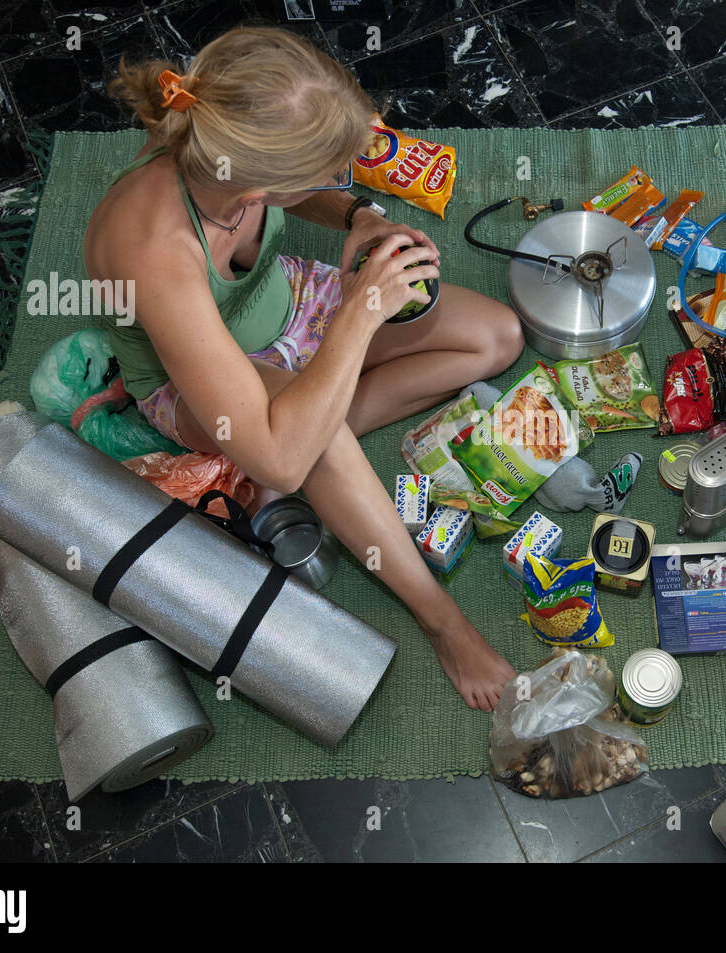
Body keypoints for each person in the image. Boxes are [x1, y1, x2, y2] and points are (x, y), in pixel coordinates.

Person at [83, 26, 522, 711]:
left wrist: (358, 216)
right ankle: (444, 621)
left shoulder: (223, 141)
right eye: (321, 174)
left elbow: (299, 191)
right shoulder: (152, 249)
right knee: (295, 456)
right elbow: (283, 462)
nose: (329, 183)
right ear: (265, 179)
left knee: (495, 337)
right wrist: (361, 312)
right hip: (200, 386)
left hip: (284, 305)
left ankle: (317, 437)